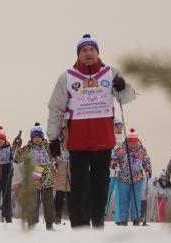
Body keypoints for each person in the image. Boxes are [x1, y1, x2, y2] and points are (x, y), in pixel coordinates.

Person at [46, 34, 137, 228]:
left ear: (97, 53)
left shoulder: (110, 73)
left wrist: (123, 87)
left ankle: (97, 218)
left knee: (101, 184)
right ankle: (79, 223)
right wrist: (53, 138)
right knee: (78, 184)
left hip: (102, 139)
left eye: (92, 50)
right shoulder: (67, 77)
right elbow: (56, 108)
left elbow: (127, 97)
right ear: (78, 55)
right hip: (77, 141)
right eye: (84, 50)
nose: (88, 54)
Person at [14, 123, 56, 230]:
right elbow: (17, 158)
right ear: (31, 138)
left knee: (48, 202)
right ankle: (31, 223)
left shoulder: (48, 147)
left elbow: (57, 156)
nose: (37, 139)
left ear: (42, 137)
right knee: (33, 202)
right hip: (34, 178)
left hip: (47, 178)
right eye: (35, 137)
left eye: (39, 137)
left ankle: (50, 224)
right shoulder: (28, 148)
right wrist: (16, 145)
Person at [111, 129, 152, 225]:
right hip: (123, 179)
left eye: (134, 142)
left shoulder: (142, 149)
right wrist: (114, 165)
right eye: (130, 142)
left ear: (137, 140)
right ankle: (123, 219)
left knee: (136, 199)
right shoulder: (121, 149)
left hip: (137, 179)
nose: (132, 144)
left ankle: (136, 218)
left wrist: (148, 170)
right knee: (123, 200)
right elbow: (113, 159)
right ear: (127, 141)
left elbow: (146, 160)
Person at [105, 119, 124, 224]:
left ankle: (118, 218)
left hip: (120, 172)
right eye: (117, 126)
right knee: (107, 193)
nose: (119, 128)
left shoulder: (124, 139)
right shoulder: (110, 137)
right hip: (111, 171)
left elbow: (124, 154)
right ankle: (103, 213)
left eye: (120, 126)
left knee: (119, 196)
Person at [53, 126, 71, 225]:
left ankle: (73, 214)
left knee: (71, 196)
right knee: (59, 195)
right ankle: (57, 214)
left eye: (66, 130)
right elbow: (52, 156)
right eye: (63, 130)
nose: (65, 132)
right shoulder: (57, 143)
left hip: (70, 172)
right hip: (60, 172)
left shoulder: (73, 141)